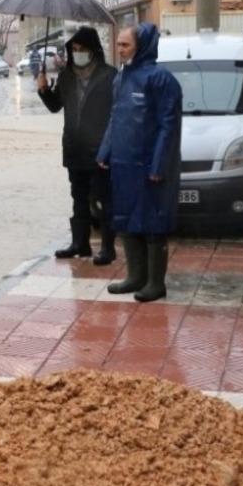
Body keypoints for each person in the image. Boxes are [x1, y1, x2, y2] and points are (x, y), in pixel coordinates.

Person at [96, 23, 182, 302]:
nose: (119, 50)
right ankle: (135, 276)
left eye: (125, 45)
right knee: (126, 219)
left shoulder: (161, 80)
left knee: (153, 224)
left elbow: (168, 127)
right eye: (118, 45)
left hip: (149, 168)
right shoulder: (121, 78)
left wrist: (159, 165)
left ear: (141, 45)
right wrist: (105, 151)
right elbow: (114, 117)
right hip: (123, 165)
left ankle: (156, 283)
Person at [37, 27, 118, 264]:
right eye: (74, 49)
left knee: (102, 199)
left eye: (82, 49)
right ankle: (79, 244)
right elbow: (55, 106)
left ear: (93, 50)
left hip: (100, 149)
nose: (78, 53)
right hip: (74, 148)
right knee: (78, 198)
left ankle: (107, 248)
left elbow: (116, 114)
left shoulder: (109, 76)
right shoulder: (66, 76)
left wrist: (110, 146)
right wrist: (43, 89)